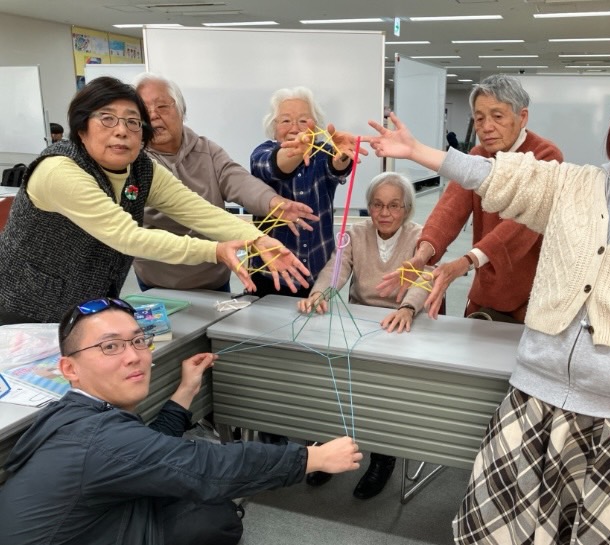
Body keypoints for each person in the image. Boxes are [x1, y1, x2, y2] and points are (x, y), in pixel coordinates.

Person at [366, 68, 610, 544]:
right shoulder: (577, 185)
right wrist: (419, 152)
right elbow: (501, 178)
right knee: (497, 533)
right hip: (535, 399)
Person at [0, 297, 362, 545]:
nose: (134, 356)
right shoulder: (96, 438)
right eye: (110, 346)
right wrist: (312, 458)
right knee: (212, 517)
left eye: (138, 341)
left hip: (88, 528)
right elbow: (206, 466)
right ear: (69, 368)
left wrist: (186, 391)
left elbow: (147, 454)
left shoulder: (74, 413)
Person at [0, 76, 309, 325]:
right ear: (82, 128)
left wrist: (257, 240)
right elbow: (127, 237)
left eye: (132, 122)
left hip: (89, 303)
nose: (121, 131)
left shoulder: (142, 168)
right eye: (107, 119)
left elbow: (197, 210)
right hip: (24, 305)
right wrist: (215, 250)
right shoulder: (60, 169)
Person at [380, 75, 563, 322]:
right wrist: (421, 256)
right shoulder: (479, 154)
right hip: (486, 288)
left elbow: (519, 226)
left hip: (531, 292)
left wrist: (465, 262)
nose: (486, 127)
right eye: (479, 118)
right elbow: (449, 210)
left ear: (522, 117)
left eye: (497, 116)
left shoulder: (546, 156)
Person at [297, 172, 430, 498]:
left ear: (407, 209)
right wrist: (320, 294)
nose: (385, 212)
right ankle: (329, 449)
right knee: (337, 382)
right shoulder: (355, 233)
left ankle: (383, 456)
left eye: (394, 205)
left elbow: (426, 277)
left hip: (401, 323)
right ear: (369, 207)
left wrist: (408, 308)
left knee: (385, 391)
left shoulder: (420, 237)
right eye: (377, 204)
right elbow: (336, 268)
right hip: (361, 321)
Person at [131, 73, 319, 292]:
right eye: (144, 109)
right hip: (157, 283)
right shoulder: (134, 162)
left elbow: (236, 179)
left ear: (181, 110)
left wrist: (273, 202)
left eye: (162, 106)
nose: (153, 115)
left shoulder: (206, 150)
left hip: (213, 279)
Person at [250, 86, 359, 299]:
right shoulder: (261, 153)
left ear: (314, 126)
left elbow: (337, 165)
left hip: (317, 275)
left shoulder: (323, 152)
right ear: (273, 126)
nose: (295, 128)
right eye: (286, 120)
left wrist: (343, 156)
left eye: (303, 121)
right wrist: (299, 151)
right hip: (270, 274)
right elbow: (276, 167)